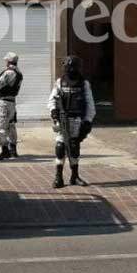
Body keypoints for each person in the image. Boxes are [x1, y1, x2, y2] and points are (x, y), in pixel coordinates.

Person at [48, 55, 95, 188]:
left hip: (77, 119)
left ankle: (74, 176)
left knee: (74, 146)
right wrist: (53, 111)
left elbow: (90, 104)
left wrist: (88, 121)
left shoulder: (84, 83)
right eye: (67, 66)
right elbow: (52, 99)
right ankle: (58, 177)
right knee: (60, 146)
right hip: (63, 119)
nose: (69, 69)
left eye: (72, 66)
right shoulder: (60, 82)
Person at [0, 52, 22, 161]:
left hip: (3, 103)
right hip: (12, 102)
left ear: (8, 61)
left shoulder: (8, 72)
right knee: (10, 126)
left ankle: (5, 150)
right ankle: (13, 150)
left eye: (5, 61)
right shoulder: (18, 73)